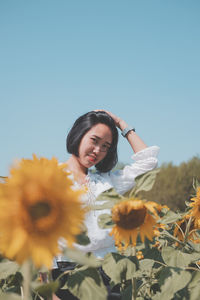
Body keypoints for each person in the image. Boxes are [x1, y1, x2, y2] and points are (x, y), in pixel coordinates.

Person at [52, 110, 160, 300]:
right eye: (94, 140)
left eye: (106, 146)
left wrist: (121, 124)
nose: (98, 151)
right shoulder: (51, 177)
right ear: (79, 134)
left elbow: (148, 163)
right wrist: (50, 290)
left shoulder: (106, 182)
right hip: (67, 273)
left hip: (108, 272)